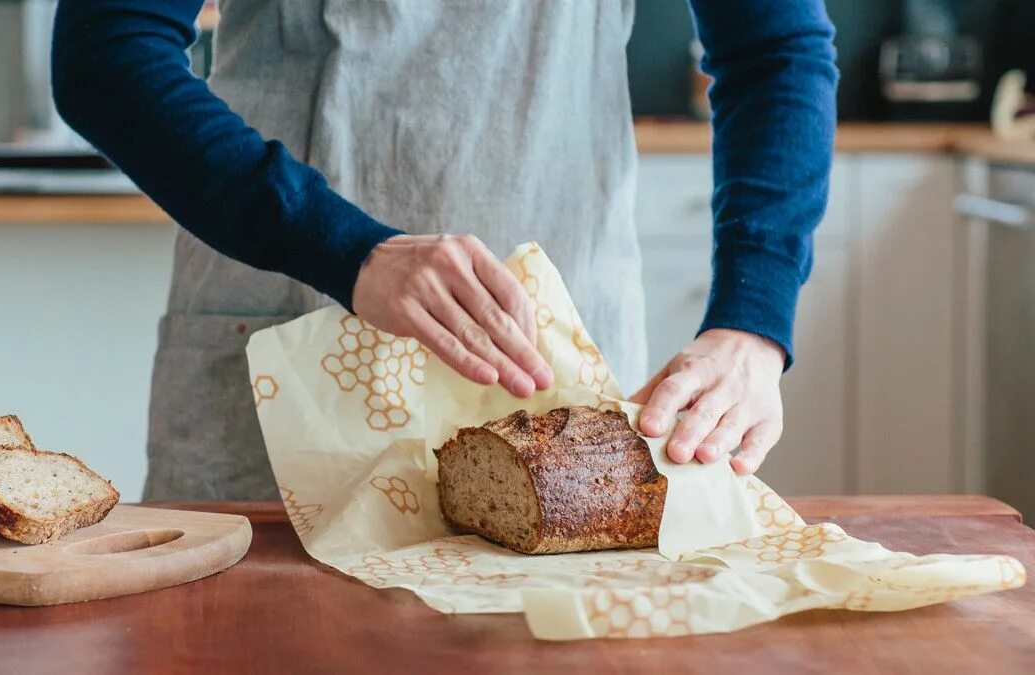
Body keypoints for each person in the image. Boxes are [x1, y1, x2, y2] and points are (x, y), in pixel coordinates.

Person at [51, 0, 837, 501]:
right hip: (289, 343)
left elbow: (778, 52)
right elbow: (106, 48)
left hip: (562, 380)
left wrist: (752, 323)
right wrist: (350, 251)